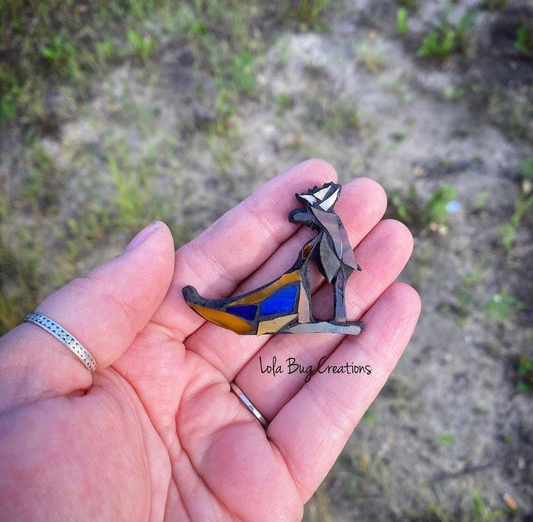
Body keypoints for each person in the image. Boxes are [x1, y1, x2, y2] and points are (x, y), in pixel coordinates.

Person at [0, 159, 420, 521]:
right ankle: (263, 309)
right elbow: (303, 224)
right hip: (309, 274)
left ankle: (309, 313)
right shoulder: (318, 227)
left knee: (307, 284)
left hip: (324, 267)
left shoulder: (329, 227)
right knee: (291, 286)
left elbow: (317, 233)